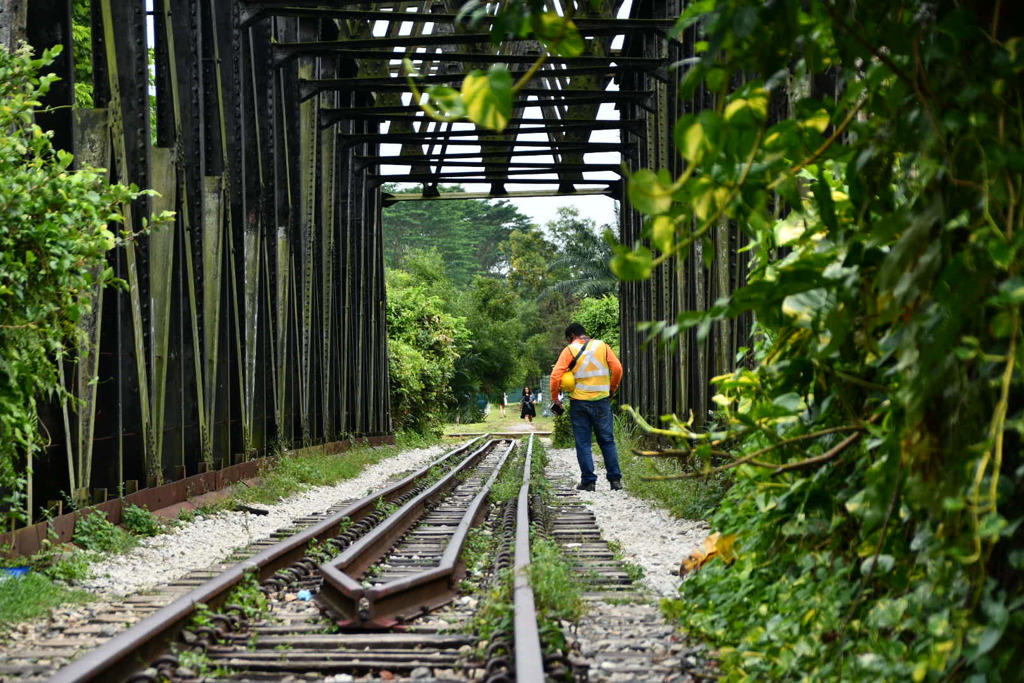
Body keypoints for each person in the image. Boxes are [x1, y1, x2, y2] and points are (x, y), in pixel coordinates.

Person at [550, 323, 623, 491]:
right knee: (607, 440)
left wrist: (556, 399)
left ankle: (589, 482)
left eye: (568, 339)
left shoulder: (569, 350)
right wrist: (612, 389)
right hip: (602, 400)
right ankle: (615, 480)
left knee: (583, 443)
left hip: (579, 402)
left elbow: (555, 377)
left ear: (572, 335)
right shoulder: (602, 346)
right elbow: (617, 368)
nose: (569, 341)